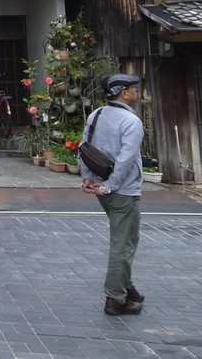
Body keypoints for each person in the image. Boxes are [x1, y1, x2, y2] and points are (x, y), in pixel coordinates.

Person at [80, 73, 145, 315]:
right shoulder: (131, 122)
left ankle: (126, 286)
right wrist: (112, 185)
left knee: (127, 238)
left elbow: (85, 147)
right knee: (124, 244)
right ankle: (116, 298)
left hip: (100, 187)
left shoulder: (96, 114)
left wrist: (88, 176)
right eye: (132, 88)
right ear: (124, 94)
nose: (136, 92)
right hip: (122, 190)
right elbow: (126, 159)